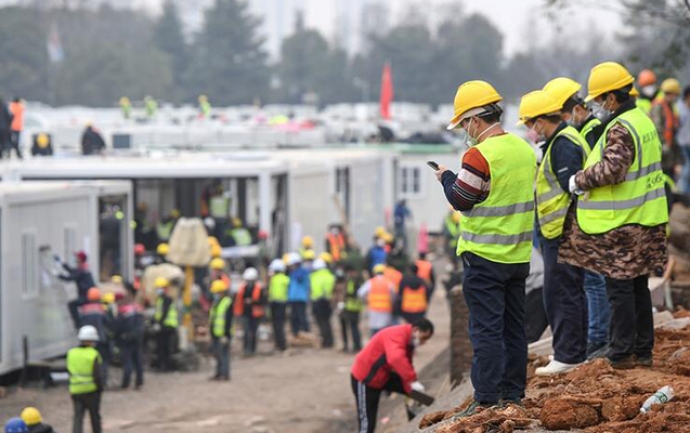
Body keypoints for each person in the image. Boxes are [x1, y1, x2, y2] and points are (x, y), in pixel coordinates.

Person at [436, 80, 535, 414]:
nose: (465, 129)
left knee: (486, 331)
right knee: (513, 329)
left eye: (465, 123)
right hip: (518, 255)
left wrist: (447, 178)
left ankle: (486, 399)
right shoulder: (523, 149)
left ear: (475, 120)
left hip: (484, 258)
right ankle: (513, 395)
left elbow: (462, 199)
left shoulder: (479, 155)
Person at [562, 62, 668, 370]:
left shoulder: (620, 127)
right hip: (646, 217)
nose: (595, 106)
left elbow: (613, 169)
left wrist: (578, 181)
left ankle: (622, 353)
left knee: (620, 291)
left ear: (611, 98)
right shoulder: (641, 120)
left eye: (597, 100)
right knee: (637, 288)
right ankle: (642, 350)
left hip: (623, 223)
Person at [517, 90, 588, 375]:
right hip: (558, 230)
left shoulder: (563, 144)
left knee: (561, 292)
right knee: (566, 290)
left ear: (540, 121)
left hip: (562, 231)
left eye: (531, 124)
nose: (531, 131)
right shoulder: (559, 141)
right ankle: (573, 352)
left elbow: (572, 189)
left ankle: (568, 354)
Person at [543, 77, 610, 357]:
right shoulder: (583, 130)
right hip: (588, 215)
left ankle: (598, 337)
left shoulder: (590, 130)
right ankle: (595, 337)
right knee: (589, 280)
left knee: (593, 280)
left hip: (589, 216)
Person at [350, 319, 434, 433]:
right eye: (423, 338)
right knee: (367, 422)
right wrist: (412, 380)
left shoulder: (409, 340)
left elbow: (406, 362)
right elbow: (396, 358)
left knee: (411, 391)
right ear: (416, 330)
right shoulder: (397, 335)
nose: (424, 342)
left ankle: (415, 421)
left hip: (383, 375)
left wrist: (410, 384)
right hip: (365, 378)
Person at [68, 325, 103, 433]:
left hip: (75, 391)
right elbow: (97, 375)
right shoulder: (93, 354)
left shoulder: (71, 353)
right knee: (95, 417)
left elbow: (69, 371)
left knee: (78, 418)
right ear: (91, 341)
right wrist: (100, 388)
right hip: (91, 391)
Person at [77, 288, 111, 384]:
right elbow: (108, 322)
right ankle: (103, 381)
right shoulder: (102, 309)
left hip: (86, 340)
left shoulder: (83, 309)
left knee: (87, 361)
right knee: (102, 361)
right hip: (101, 339)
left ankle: (88, 380)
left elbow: (79, 323)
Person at [651, 78, 681, 178]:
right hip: (661, 150)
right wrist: (663, 144)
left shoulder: (670, 106)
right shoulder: (659, 106)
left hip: (668, 150)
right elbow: (657, 127)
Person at [59, 251, 97, 329]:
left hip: (86, 297)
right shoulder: (83, 268)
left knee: (72, 305)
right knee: (74, 304)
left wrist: (58, 275)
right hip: (88, 295)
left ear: (80, 259)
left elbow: (69, 278)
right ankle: (79, 322)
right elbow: (72, 271)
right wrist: (62, 263)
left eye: (77, 258)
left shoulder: (81, 270)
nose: (75, 259)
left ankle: (78, 324)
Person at [116, 292, 144, 390]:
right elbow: (141, 323)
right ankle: (139, 382)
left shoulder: (122, 310)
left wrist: (117, 338)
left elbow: (118, 326)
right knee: (138, 360)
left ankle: (126, 383)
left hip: (126, 339)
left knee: (127, 361)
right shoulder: (137, 308)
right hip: (138, 338)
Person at [358, 264, 396, 336]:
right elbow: (394, 295)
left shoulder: (370, 282)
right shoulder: (389, 282)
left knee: (374, 331)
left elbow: (360, 293)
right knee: (385, 331)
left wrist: (365, 300)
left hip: (374, 310)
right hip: (386, 309)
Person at [234, 268, 264, 355]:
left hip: (255, 314)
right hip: (245, 313)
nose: (249, 282)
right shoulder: (243, 288)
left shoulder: (259, 288)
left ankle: (252, 349)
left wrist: (253, 302)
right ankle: (246, 349)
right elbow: (238, 301)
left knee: (253, 332)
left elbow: (263, 301)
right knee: (246, 332)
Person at [153, 277, 178, 371]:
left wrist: (158, 323)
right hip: (163, 326)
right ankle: (161, 365)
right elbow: (158, 313)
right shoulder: (160, 299)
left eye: (160, 288)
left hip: (168, 326)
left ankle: (165, 366)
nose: (158, 290)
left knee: (165, 348)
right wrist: (154, 321)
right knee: (161, 347)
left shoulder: (167, 299)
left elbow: (165, 312)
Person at [209, 279, 232, 380]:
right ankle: (218, 373)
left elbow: (228, 320)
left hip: (223, 334)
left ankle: (225, 374)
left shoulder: (227, 302)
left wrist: (226, 335)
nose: (215, 294)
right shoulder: (216, 302)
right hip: (215, 333)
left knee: (224, 355)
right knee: (217, 354)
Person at [310, 259, 335, 348]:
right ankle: (330, 341)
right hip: (327, 301)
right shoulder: (330, 276)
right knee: (327, 322)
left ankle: (325, 342)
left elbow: (312, 289)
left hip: (318, 301)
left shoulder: (314, 276)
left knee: (321, 322)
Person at [338, 265, 363, 353]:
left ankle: (357, 346)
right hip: (348, 306)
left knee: (354, 327)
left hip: (353, 307)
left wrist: (347, 295)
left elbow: (355, 294)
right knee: (346, 325)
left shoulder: (357, 282)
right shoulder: (350, 281)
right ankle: (348, 345)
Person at [268, 259, 290, 351]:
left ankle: (280, 344)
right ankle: (280, 344)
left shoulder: (274, 279)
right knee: (279, 325)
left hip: (276, 304)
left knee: (277, 325)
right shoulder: (286, 279)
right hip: (281, 303)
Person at [287, 253, 310, 336]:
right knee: (294, 318)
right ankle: (296, 333)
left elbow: (299, 277)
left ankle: (305, 333)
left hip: (300, 298)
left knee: (302, 317)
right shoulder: (292, 273)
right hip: (293, 298)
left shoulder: (302, 272)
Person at [678, 86, 690, 194]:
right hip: (681, 144)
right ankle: (684, 193)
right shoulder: (679, 108)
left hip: (688, 143)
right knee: (686, 168)